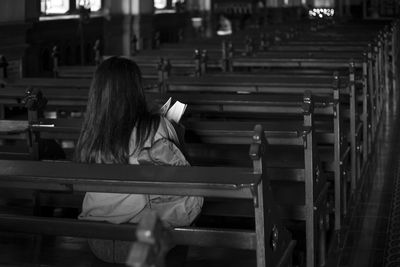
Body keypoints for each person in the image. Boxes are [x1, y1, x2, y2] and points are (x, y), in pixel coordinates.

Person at [75, 56, 203, 264]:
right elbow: (185, 174)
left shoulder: (91, 133)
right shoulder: (155, 127)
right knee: (187, 209)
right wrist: (174, 132)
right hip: (140, 240)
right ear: (136, 90)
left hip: (97, 237)